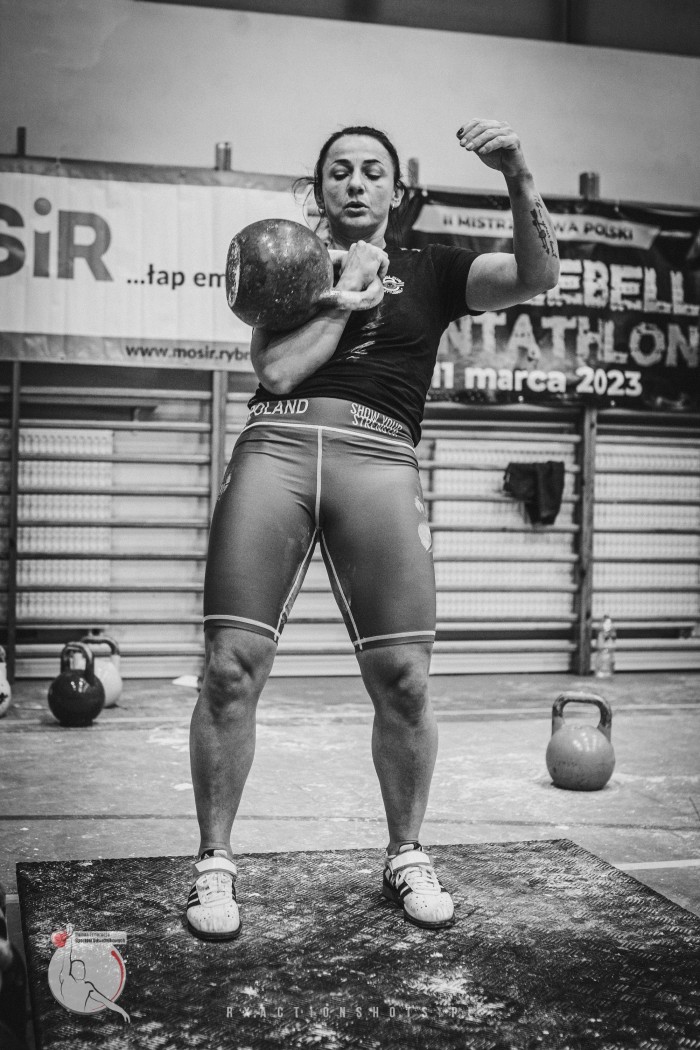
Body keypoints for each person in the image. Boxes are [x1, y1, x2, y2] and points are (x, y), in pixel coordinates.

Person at [186, 119, 560, 940]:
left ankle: (406, 854)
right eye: (339, 171)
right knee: (228, 669)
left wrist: (517, 172)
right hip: (278, 449)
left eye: (372, 171)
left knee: (406, 681)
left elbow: (538, 275)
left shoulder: (435, 270)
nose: (355, 183)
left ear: (396, 189)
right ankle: (214, 864)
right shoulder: (291, 264)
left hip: (380, 460)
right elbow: (277, 369)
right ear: (319, 189)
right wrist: (344, 292)